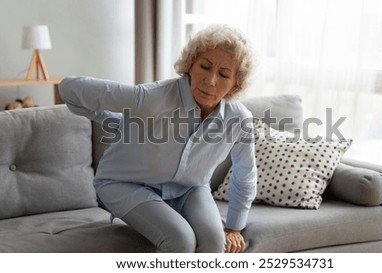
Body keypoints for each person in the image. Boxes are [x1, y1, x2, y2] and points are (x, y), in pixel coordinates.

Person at [59, 24, 257, 253]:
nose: (210, 80)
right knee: (181, 240)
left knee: (214, 243)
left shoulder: (239, 119)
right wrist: (117, 122)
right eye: (205, 66)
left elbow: (245, 174)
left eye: (223, 74)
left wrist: (234, 226)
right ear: (190, 65)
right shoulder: (153, 97)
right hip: (125, 184)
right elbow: (68, 89)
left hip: (190, 188)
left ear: (235, 85)